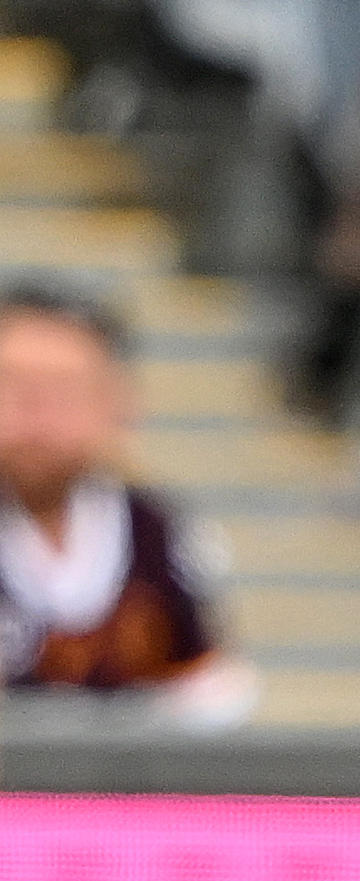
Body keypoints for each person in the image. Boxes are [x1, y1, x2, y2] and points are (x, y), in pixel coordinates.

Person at [0, 278, 246, 719]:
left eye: (63, 390)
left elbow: (208, 687)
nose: (36, 414)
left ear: (118, 402)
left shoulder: (158, 534)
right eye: (13, 386)